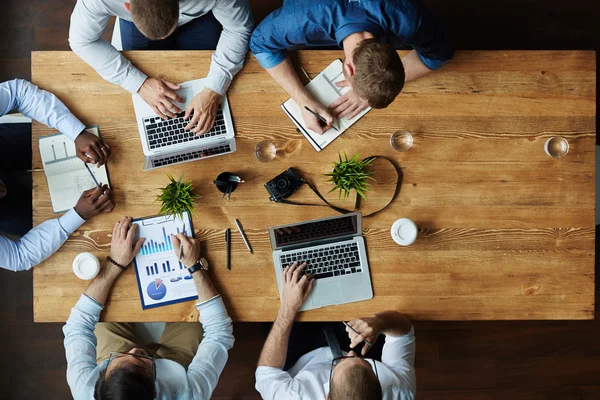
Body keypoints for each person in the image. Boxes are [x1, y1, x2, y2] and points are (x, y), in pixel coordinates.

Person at [63, 216, 234, 399]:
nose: (135, 350)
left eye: (119, 358)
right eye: (142, 361)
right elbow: (218, 333)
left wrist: (115, 263)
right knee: (195, 319)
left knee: (103, 321)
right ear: (155, 391)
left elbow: (78, 326)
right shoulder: (188, 395)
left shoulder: (84, 388)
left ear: (100, 379)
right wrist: (194, 266)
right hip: (176, 369)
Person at [250, 0, 454, 134]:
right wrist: (302, 101)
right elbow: (259, 43)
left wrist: (367, 90)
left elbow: (441, 53)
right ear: (349, 69)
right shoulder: (301, 20)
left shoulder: (407, 18)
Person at [69, 0, 253, 134]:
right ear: (127, 6)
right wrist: (137, 83)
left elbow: (239, 29)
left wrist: (214, 89)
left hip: (200, 17)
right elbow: (81, 41)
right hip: (136, 22)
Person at [255, 262, 416, 399]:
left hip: (302, 356)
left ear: (327, 396)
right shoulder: (399, 390)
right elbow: (404, 332)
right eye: (365, 363)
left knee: (269, 294)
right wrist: (379, 322)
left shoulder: (294, 396)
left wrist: (288, 308)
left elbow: (266, 372)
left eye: (341, 362)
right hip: (355, 342)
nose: (351, 354)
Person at [0, 79, 114, 272]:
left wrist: (76, 133)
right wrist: (76, 216)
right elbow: (20, 256)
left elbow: (18, 93)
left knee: (55, 139)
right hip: (8, 212)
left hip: (6, 146)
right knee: (51, 219)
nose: (1, 191)